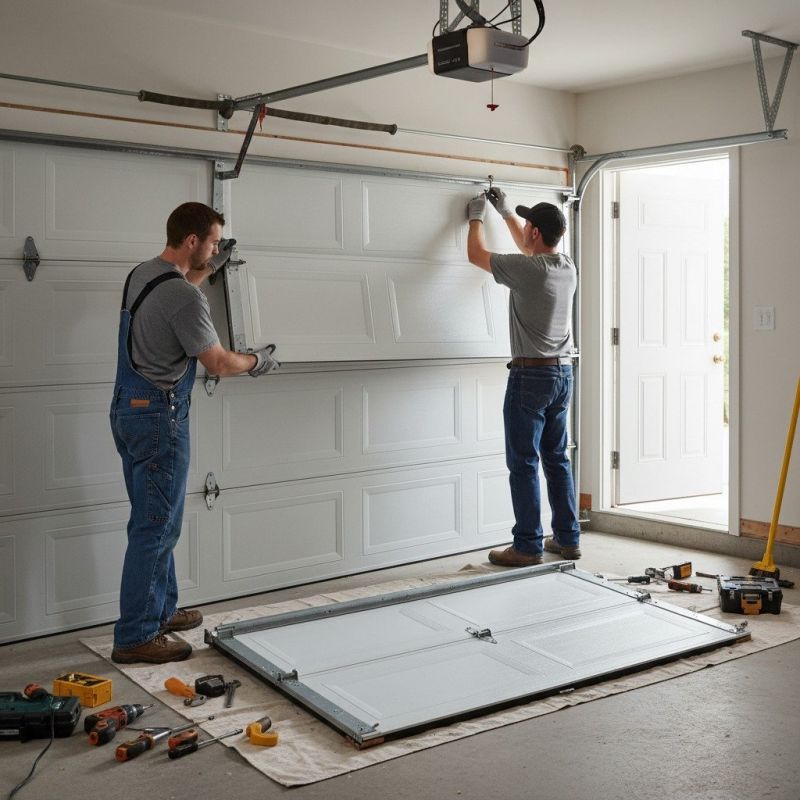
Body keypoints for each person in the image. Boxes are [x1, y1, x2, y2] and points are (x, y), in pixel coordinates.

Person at [110, 202, 278, 664]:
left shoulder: (143, 275)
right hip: (159, 419)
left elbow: (173, 296)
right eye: (213, 242)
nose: (216, 247)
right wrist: (258, 360)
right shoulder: (185, 298)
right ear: (191, 242)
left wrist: (212, 267)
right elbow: (219, 363)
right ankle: (136, 634)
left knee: (151, 519)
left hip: (129, 410)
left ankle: (159, 610)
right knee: (156, 526)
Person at [465, 189, 581, 566]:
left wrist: (476, 217)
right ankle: (567, 538)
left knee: (524, 463)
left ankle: (527, 546)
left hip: (530, 378)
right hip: (562, 374)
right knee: (556, 459)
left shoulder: (529, 270)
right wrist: (506, 212)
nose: (525, 229)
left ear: (535, 232)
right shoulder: (566, 266)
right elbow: (528, 246)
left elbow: (475, 255)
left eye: (528, 224)